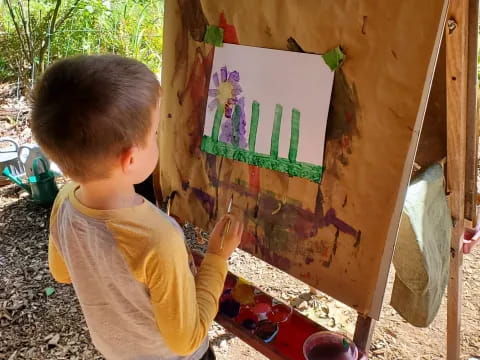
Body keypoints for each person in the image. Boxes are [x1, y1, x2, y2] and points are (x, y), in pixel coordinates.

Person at [31, 54, 243, 360]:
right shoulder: (158, 239)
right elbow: (185, 340)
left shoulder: (64, 203)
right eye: (155, 133)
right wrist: (216, 258)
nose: (158, 139)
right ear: (130, 159)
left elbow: (61, 272)